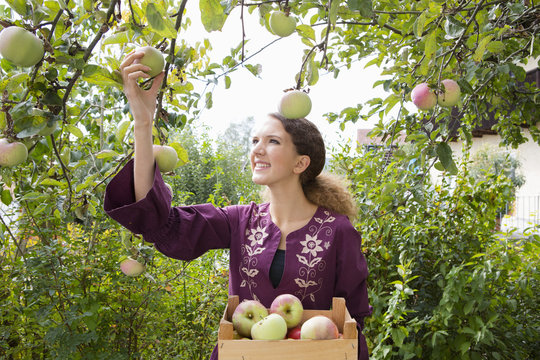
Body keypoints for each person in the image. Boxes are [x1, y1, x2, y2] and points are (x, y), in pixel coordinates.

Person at [104, 49, 372, 359]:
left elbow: (352, 326)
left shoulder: (338, 231)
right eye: (254, 140)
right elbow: (159, 222)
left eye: (272, 141)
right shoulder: (239, 222)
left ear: (301, 163)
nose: (257, 150)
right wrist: (143, 120)